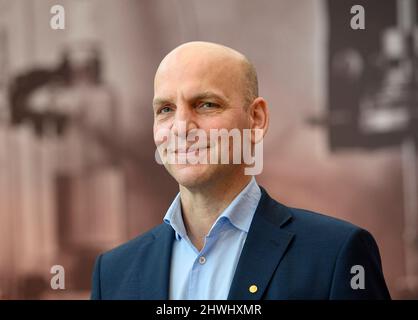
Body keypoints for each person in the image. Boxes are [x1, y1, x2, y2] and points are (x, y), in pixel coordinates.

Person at [91, 41, 390, 299]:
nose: (181, 128)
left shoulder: (335, 256)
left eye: (206, 105)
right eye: (166, 109)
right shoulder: (113, 275)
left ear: (256, 119)